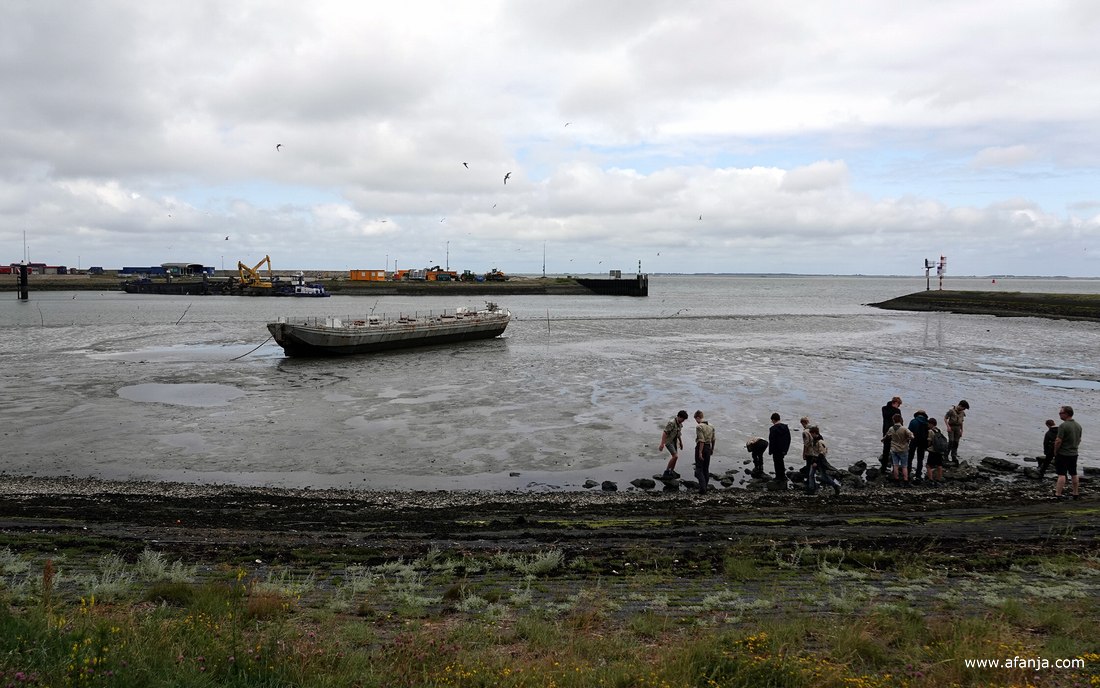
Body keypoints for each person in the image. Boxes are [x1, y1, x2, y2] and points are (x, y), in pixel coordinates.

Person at [1053, 405, 1082, 500]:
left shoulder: (1063, 426)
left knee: (1061, 474)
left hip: (1063, 453)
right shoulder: (1078, 425)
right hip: (1074, 453)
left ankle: (1058, 494)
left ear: (1067, 414)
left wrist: (1055, 451)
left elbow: (1058, 440)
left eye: (1061, 413)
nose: (1059, 414)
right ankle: (1075, 493)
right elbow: (1079, 439)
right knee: (1074, 473)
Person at [805, 425, 841, 496]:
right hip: (814, 459)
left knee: (824, 476)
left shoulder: (820, 442)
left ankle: (835, 486)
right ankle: (811, 489)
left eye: (811, 434)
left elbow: (822, 453)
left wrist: (815, 462)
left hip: (820, 461)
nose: (810, 435)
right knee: (811, 475)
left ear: (814, 433)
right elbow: (814, 452)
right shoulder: (814, 441)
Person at [884, 413, 914, 485]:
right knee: (904, 466)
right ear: (900, 420)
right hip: (903, 449)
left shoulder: (891, 428)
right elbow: (912, 436)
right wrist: (907, 438)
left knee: (895, 465)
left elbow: (887, 435)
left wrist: (883, 439)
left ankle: (896, 479)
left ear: (893, 420)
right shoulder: (904, 429)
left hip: (894, 449)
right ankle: (905, 480)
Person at [659, 410, 689, 479]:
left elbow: (678, 434)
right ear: (679, 416)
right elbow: (665, 433)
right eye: (683, 419)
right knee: (675, 456)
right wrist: (662, 444)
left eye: (684, 420)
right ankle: (666, 472)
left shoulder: (680, 424)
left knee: (675, 457)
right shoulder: (672, 423)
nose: (683, 421)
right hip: (669, 442)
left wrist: (681, 443)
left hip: (674, 442)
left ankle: (671, 471)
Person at [693, 410, 717, 494]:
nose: (696, 421)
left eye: (696, 419)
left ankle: (702, 488)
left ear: (698, 418)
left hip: (701, 447)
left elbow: (701, 440)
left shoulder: (699, 426)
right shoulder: (711, 426)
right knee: (706, 469)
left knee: (699, 469)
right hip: (708, 448)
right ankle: (705, 487)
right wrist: (712, 449)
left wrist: (700, 452)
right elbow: (713, 439)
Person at [768, 413, 792, 487]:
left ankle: (778, 477)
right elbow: (788, 439)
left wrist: (770, 451)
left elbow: (772, 441)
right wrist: (786, 449)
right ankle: (783, 476)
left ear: (773, 420)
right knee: (781, 462)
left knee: (777, 463)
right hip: (783, 449)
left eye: (772, 420)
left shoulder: (773, 429)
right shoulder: (785, 427)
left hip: (776, 449)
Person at [907, 410, 930, 483]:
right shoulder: (927, 422)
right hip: (923, 442)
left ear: (917, 415)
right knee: (920, 459)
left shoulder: (913, 421)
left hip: (914, 441)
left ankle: (908, 473)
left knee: (910, 458)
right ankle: (918, 475)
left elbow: (909, 432)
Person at [944, 400, 970, 465]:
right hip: (951, 427)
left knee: (956, 442)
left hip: (958, 428)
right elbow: (945, 418)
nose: (964, 409)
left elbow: (961, 422)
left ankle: (953, 456)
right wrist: (948, 427)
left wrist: (962, 430)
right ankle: (946, 455)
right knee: (951, 441)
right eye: (963, 408)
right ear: (960, 406)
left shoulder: (962, 413)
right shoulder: (951, 411)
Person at [880, 397, 902, 470]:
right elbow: (887, 416)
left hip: (895, 432)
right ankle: (884, 467)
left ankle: (894, 468)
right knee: (886, 450)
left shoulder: (897, 410)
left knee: (894, 450)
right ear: (895, 403)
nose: (899, 406)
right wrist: (895, 409)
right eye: (898, 404)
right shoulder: (885, 408)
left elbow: (900, 421)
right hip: (887, 431)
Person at [926, 418, 947, 484]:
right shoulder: (939, 430)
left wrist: (926, 447)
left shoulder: (930, 431)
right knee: (939, 465)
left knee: (928, 465)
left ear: (931, 424)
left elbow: (929, 441)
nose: (928, 425)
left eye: (928, 424)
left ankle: (931, 480)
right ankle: (938, 480)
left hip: (933, 450)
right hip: (939, 451)